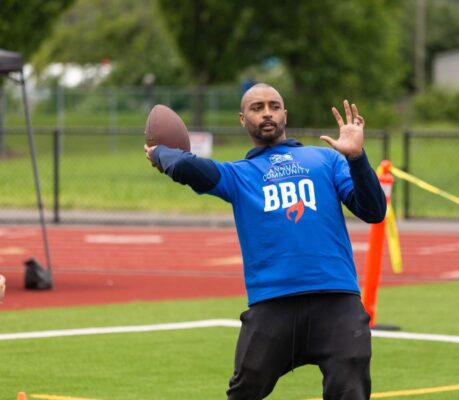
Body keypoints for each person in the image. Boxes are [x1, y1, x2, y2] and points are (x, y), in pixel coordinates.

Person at [144, 83, 386, 399]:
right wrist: (160, 153)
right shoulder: (239, 174)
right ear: (242, 119)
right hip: (273, 306)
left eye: (274, 105)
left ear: (285, 113)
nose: (267, 112)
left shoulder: (327, 160)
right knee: (244, 393)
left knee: (350, 393)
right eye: (257, 107)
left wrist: (357, 158)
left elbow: (374, 210)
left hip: (336, 302)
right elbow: (190, 167)